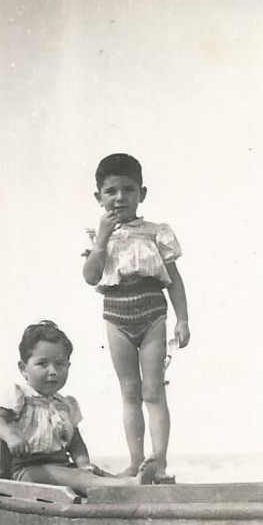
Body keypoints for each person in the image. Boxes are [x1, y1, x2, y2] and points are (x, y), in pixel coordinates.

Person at [82, 153, 190, 483]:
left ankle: (160, 463)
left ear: (142, 194)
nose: (120, 198)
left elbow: (175, 278)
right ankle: (136, 462)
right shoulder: (98, 236)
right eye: (111, 191)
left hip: (152, 310)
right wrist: (101, 238)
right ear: (98, 197)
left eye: (128, 190)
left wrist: (183, 319)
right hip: (115, 313)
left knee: (153, 391)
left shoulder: (157, 232)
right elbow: (90, 276)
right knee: (129, 391)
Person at [0, 320, 158, 494]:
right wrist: (11, 437)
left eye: (60, 364)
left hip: (61, 467)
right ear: (23, 369)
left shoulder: (65, 405)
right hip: (28, 470)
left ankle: (125, 481)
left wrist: (84, 464)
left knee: (91, 472)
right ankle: (129, 485)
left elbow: (75, 442)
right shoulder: (20, 396)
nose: (53, 371)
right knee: (77, 477)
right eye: (42, 364)